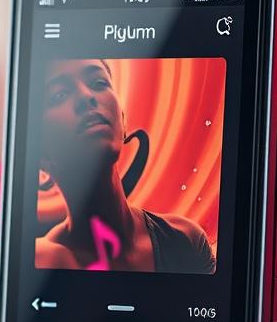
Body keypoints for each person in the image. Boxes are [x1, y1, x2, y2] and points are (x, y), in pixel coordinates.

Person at [35, 59, 216, 274]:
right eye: (59, 95)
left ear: (123, 121)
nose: (86, 96)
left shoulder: (186, 239)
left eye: (99, 83)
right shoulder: (40, 261)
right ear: (39, 154)